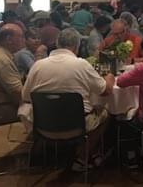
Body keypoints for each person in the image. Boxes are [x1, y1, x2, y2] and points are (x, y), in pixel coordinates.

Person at [22, 28, 114, 171]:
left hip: (43, 125)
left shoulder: (37, 66)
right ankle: (83, 156)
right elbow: (105, 91)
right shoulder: (81, 64)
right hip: (76, 125)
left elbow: (25, 96)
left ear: (58, 45)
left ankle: (49, 154)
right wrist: (109, 77)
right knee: (105, 112)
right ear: (76, 46)